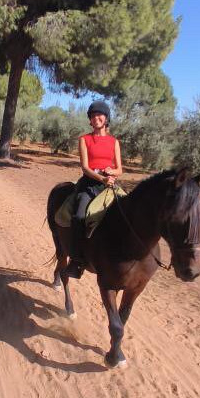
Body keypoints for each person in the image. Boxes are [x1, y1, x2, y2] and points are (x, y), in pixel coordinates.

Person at [66, 99, 122, 278]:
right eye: (93, 115)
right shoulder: (84, 139)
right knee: (79, 216)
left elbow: (120, 169)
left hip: (110, 184)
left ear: (106, 118)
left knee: (127, 213)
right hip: (89, 184)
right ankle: (76, 260)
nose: (96, 118)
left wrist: (111, 172)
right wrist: (101, 178)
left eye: (99, 114)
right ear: (90, 120)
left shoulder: (114, 142)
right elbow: (85, 167)